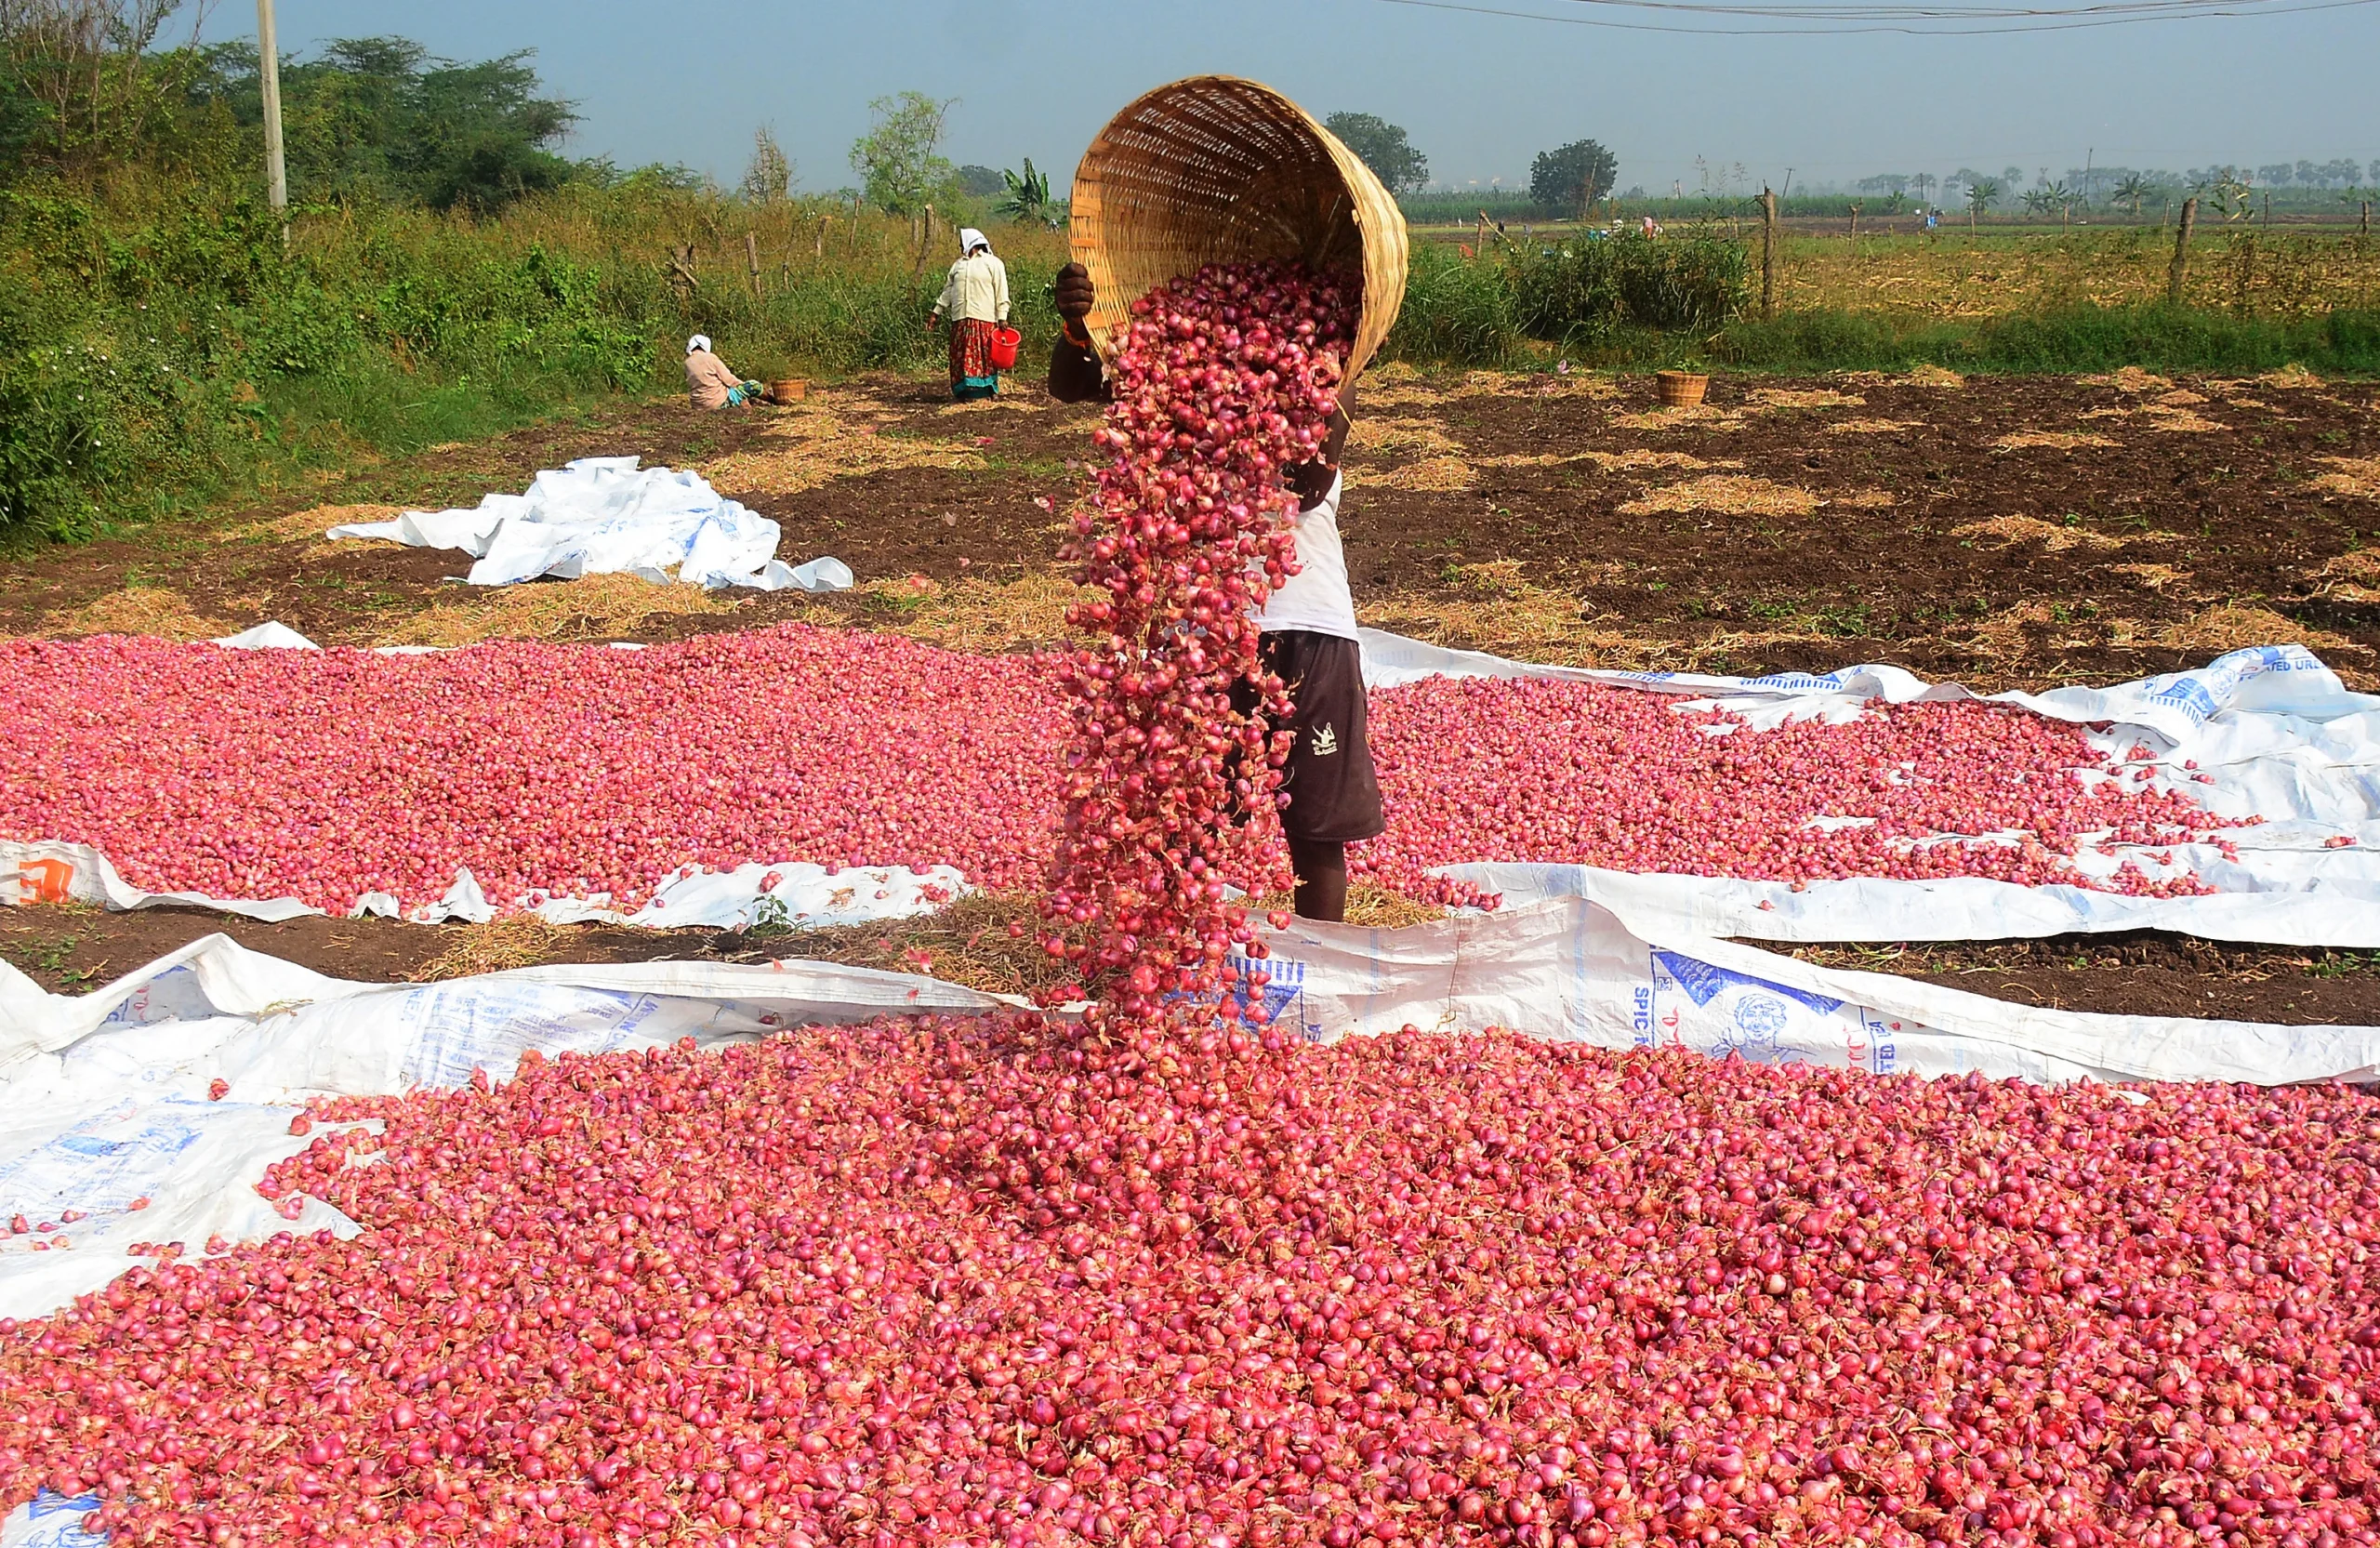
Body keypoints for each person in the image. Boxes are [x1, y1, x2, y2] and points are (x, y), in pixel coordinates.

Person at [1047, 262, 1383, 924]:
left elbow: (1306, 484)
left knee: (1314, 833)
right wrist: (1076, 327)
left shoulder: (1326, 392)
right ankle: (1186, 966)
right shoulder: (1179, 381)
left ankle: (1318, 976)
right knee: (1190, 822)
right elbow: (1071, 385)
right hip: (1206, 631)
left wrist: (1311, 386)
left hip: (1307, 624)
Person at [931, 228, 1012, 401]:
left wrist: (1002, 316)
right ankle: (964, 393)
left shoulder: (993, 263)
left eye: (962, 242)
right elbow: (948, 291)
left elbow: (1001, 290)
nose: (960, 246)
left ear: (970, 242)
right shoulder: (958, 265)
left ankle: (989, 390)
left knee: (984, 356)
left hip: (984, 318)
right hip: (960, 318)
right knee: (961, 356)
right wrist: (936, 312)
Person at [684, 335, 762, 410]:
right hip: (718, 402)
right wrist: (743, 387)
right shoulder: (710, 358)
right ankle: (769, 400)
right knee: (755, 386)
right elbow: (729, 380)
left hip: (698, 405)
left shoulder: (687, 363)